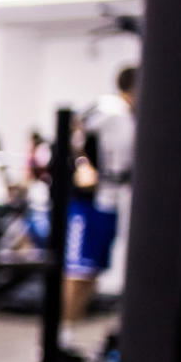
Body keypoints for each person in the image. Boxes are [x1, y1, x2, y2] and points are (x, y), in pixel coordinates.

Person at [62, 65, 137, 347]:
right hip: (88, 201)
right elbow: (74, 124)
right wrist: (83, 164)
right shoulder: (110, 107)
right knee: (78, 271)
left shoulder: (132, 116)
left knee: (92, 272)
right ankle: (61, 334)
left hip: (111, 199)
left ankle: (69, 334)